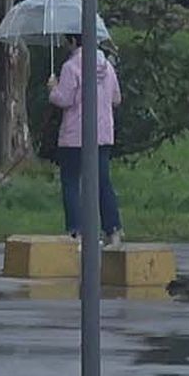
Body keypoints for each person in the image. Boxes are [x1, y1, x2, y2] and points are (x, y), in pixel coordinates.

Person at [49, 34, 123, 249]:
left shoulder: (71, 67)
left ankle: (77, 232)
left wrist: (53, 88)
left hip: (74, 136)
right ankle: (113, 231)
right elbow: (116, 98)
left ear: (73, 41)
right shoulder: (106, 66)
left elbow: (64, 99)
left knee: (71, 182)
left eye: (66, 40)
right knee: (102, 182)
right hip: (102, 133)